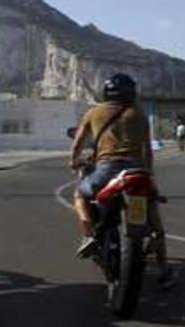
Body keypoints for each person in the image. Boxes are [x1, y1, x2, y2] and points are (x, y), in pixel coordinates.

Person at [69, 73, 174, 285]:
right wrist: (148, 173)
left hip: (106, 169)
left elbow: (79, 140)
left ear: (106, 92)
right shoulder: (139, 114)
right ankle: (163, 269)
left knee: (80, 194)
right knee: (154, 219)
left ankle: (89, 234)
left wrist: (73, 161)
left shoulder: (94, 112)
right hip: (137, 170)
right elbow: (147, 150)